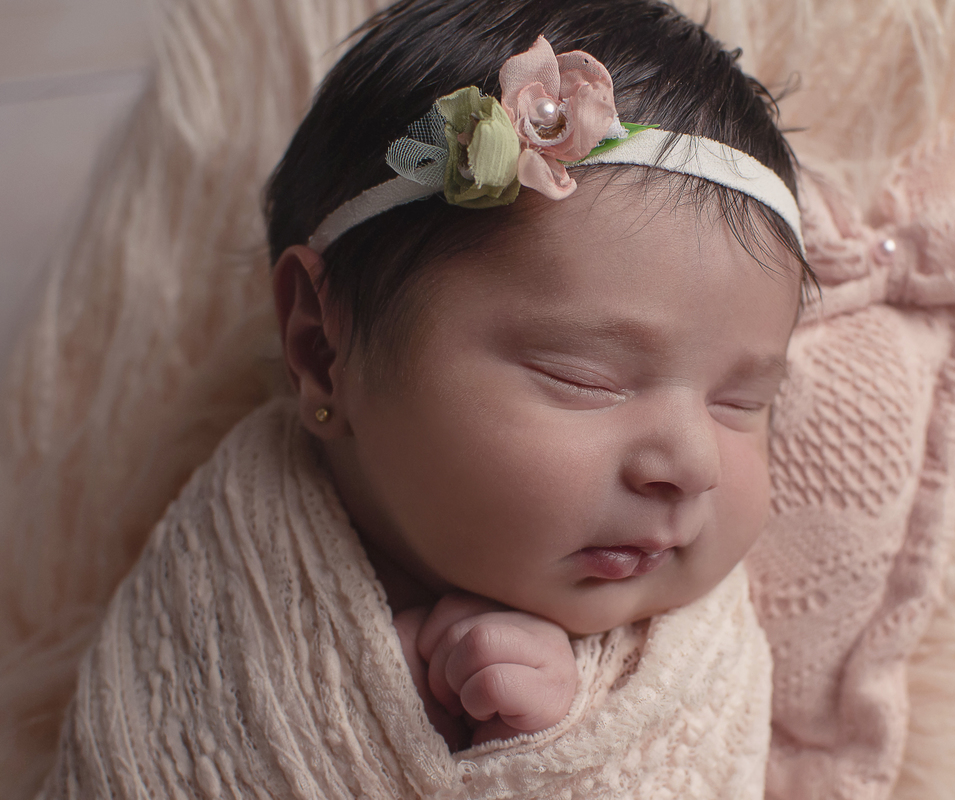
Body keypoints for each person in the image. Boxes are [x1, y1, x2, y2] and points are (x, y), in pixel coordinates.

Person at [39, 0, 811, 796]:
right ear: (320, 345)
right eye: (585, 377)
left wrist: (557, 754)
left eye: (742, 402)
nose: (692, 462)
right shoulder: (228, 576)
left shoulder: (699, 655)